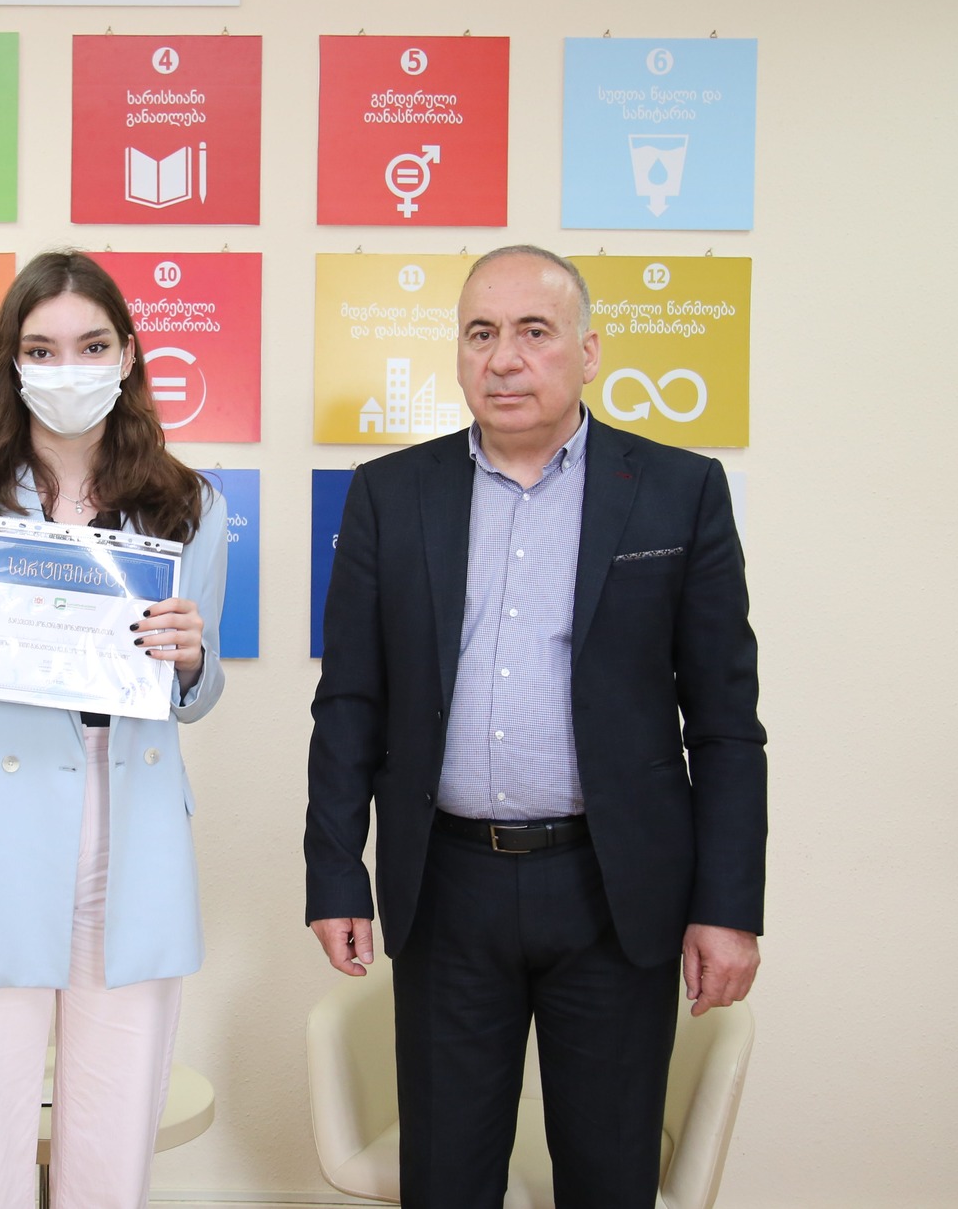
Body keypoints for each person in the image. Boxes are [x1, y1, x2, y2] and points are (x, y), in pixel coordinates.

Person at [305, 245, 765, 1208]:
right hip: (448, 888)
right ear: (458, 352)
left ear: (588, 352)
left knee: (609, 1179)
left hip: (614, 892)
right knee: (446, 1179)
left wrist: (727, 906)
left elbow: (725, 726)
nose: (504, 358)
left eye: (533, 331)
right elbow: (350, 700)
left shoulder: (677, 491)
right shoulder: (391, 493)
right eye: (481, 333)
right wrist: (336, 872)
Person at [0, 250, 228, 1209]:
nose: (68, 368)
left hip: (131, 831)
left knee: (113, 1140)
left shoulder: (192, 507)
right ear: (13, 361)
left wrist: (192, 660)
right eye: (42, 348)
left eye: (91, 345)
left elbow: (193, 696)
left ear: (128, 354)